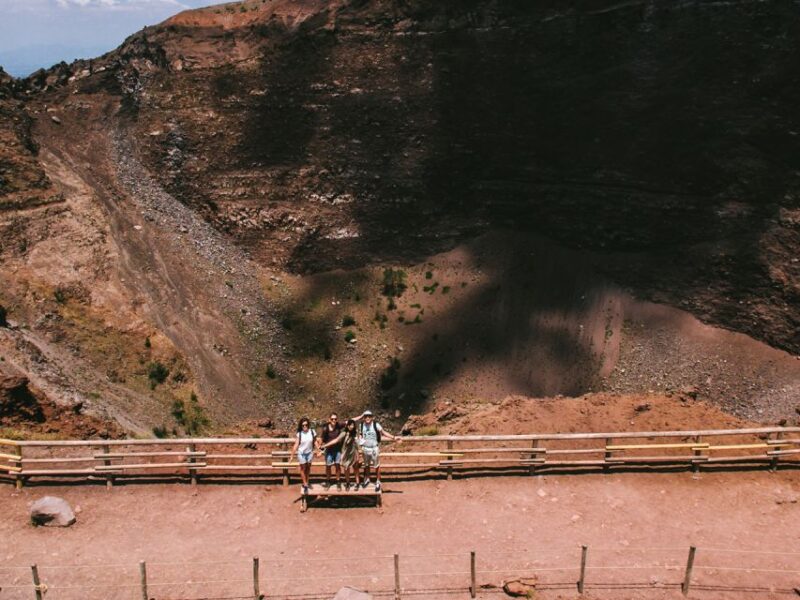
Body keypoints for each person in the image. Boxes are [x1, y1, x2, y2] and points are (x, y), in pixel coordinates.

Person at [354, 410, 401, 492]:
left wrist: (394, 438)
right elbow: (360, 434)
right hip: (365, 448)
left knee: (376, 466)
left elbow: (383, 432)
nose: (367, 418)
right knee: (367, 465)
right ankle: (367, 478)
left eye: (369, 416)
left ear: (372, 417)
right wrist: (360, 441)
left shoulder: (376, 425)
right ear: (364, 418)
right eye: (366, 416)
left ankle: (378, 481)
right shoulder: (361, 425)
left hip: (374, 448)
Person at [318, 418, 361, 490]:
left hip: (354, 453)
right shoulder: (344, 433)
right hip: (346, 454)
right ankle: (348, 483)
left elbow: (357, 445)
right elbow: (336, 440)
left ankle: (357, 483)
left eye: (353, 425)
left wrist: (358, 455)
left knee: (356, 468)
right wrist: (324, 446)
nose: (351, 426)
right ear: (347, 426)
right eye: (350, 425)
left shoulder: (355, 434)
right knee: (346, 468)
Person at [292, 416, 317, 493]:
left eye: (306, 425)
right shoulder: (299, 434)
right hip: (301, 453)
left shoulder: (312, 432)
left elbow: (315, 441)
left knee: (308, 468)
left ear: (308, 425)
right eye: (303, 425)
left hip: (309, 452)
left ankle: (307, 481)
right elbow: (296, 444)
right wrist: (292, 455)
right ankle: (305, 483)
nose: (304, 426)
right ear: (301, 426)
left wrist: (318, 448)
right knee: (303, 468)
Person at [320, 412, 344, 489]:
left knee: (337, 466)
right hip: (329, 450)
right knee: (328, 466)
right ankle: (328, 481)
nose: (334, 420)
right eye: (332, 419)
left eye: (335, 419)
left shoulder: (338, 425)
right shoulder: (325, 428)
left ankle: (338, 481)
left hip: (337, 450)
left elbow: (350, 421)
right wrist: (320, 448)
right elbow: (321, 439)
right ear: (329, 419)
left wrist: (361, 416)